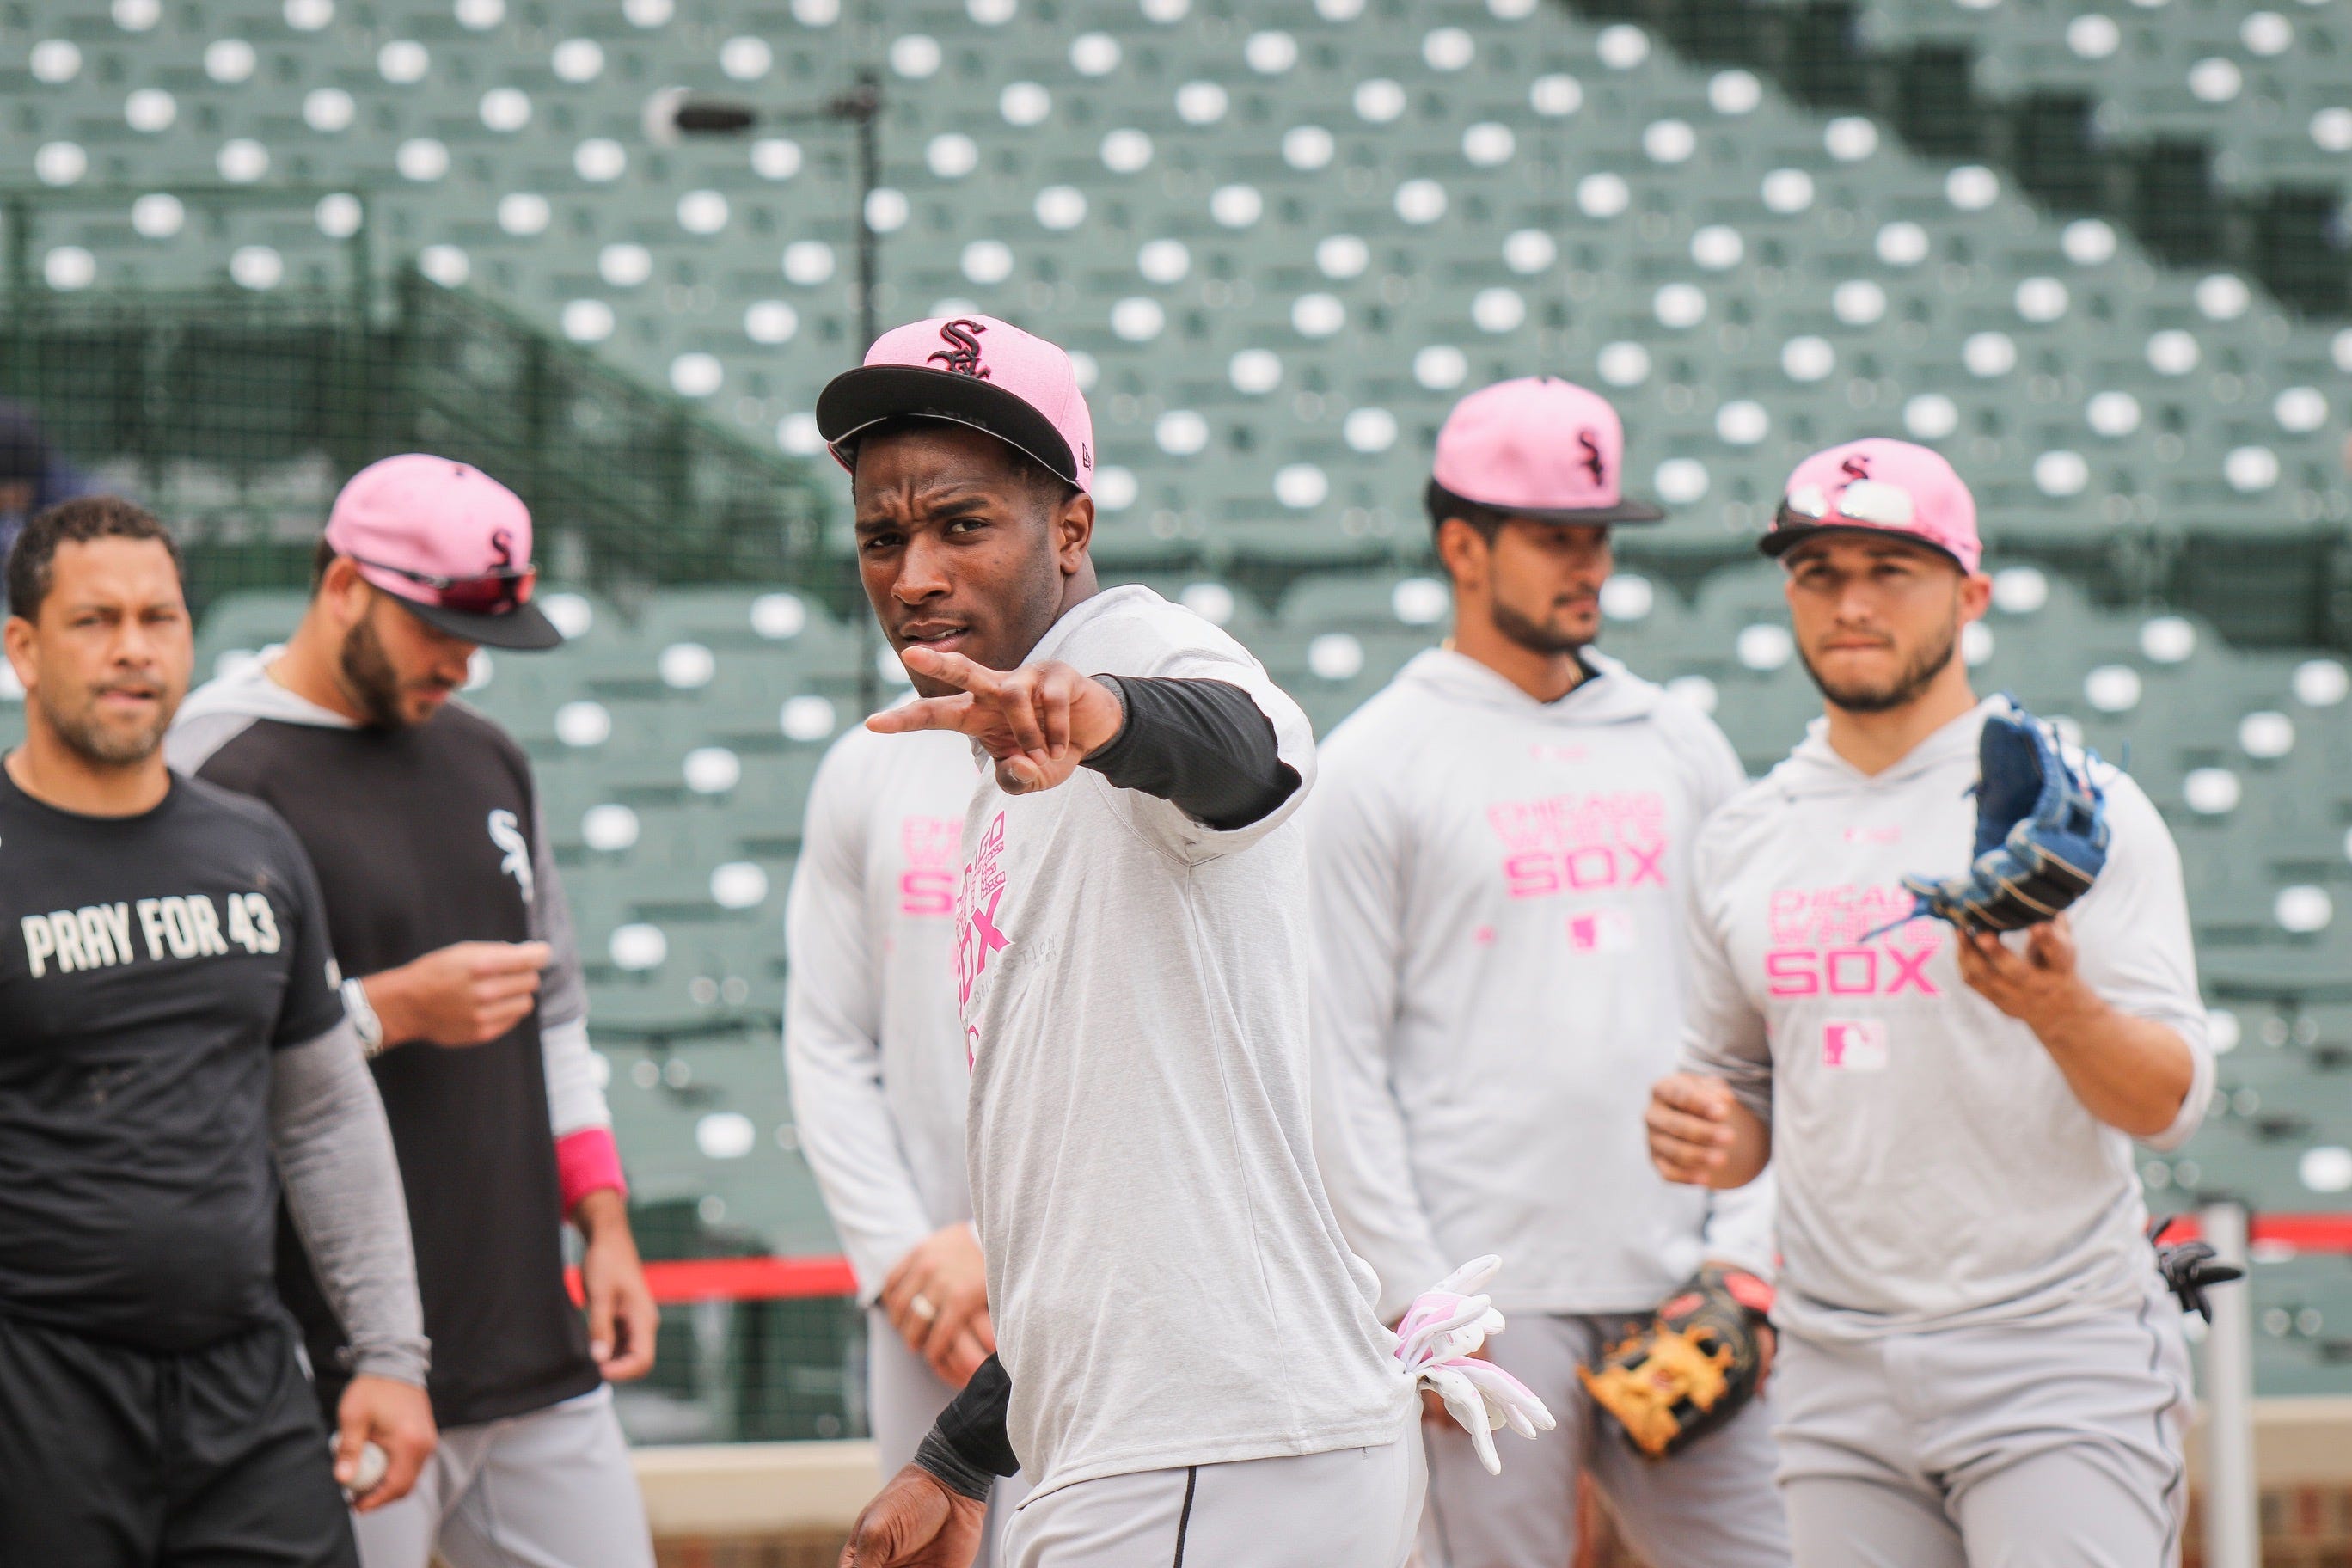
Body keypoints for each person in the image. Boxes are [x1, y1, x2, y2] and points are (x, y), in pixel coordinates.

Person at [815, 315, 1448, 1568]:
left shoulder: (1134, 655)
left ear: (1069, 528)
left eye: (961, 523)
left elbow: (1251, 748)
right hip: (1187, 1441)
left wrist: (1106, 717)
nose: (915, 573)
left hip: (1213, 1452)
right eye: (883, 537)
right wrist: (961, 1453)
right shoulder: (999, 746)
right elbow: (1116, 1210)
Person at [1645, 438, 2212, 1565]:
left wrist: (2063, 1015)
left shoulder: (2070, 810)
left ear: (1972, 592)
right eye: (1819, 570)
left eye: (1890, 568)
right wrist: (1714, 1135)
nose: (1851, 601)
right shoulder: (1744, 839)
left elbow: (2171, 1103)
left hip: (2056, 1350)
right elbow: (1743, 1099)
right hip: (1834, 1369)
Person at [1309, 378, 1789, 1568]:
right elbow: (1334, 1063)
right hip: (1486, 1305)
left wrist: (1747, 1258)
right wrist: (1421, 1308)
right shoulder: (1376, 761)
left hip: (1685, 1285)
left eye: (1600, 536)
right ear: (1461, 544)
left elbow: (1764, 1023)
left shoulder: (1680, 741)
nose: (1590, 564)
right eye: (1556, 537)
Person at [167, 456, 659, 1568]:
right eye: (435, 625)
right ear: (344, 585)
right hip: (330, 1363)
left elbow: (558, 1013)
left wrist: (606, 1219)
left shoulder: (488, 755)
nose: (465, 658)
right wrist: (385, 1011)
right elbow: (177, 1068)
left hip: (529, 1337)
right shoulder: (211, 768)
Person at [0, 495, 433, 1565]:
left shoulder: (256, 849)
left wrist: (391, 1356)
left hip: (243, 1386)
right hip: (35, 1394)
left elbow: (327, 1116)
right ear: (22, 648)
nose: (134, 650)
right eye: (95, 621)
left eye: (161, 618)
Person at [787, 709, 1029, 1554]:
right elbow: (826, 1037)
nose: (921, 579)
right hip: (923, 1304)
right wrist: (902, 1263)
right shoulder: (866, 766)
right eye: (881, 561)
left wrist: (1001, 1249)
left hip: (1090, 1280)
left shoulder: (1127, 746)